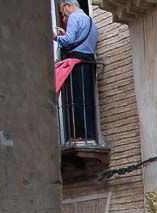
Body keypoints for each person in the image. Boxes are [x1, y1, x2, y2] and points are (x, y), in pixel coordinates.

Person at [54, 1, 98, 142]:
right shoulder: (89, 20)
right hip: (89, 62)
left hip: (77, 64)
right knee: (88, 100)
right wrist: (66, 34)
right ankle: (90, 134)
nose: (63, 15)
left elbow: (69, 40)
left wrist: (55, 36)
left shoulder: (73, 17)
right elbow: (80, 40)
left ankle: (81, 135)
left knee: (78, 100)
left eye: (62, 11)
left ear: (67, 5)